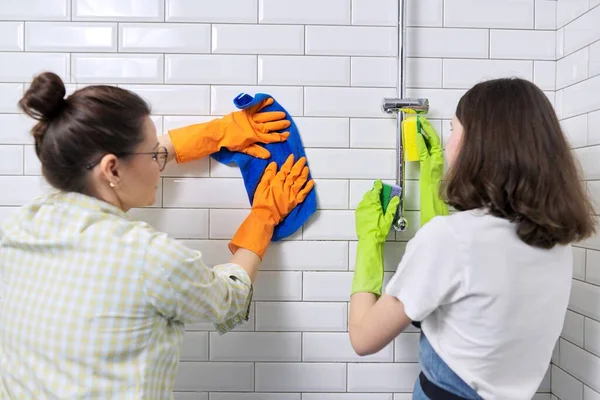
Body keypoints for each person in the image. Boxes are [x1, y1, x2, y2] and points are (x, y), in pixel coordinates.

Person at [0, 72, 314, 399]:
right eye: (153, 154)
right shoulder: (148, 257)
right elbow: (229, 301)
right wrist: (264, 214)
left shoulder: (21, 226)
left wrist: (215, 133)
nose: (158, 160)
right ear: (112, 169)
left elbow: (107, 164)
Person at [348, 78, 596, 400]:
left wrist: (368, 241)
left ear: (477, 145)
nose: (449, 142)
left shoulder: (451, 240)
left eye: (453, 129)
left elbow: (363, 337)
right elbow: (471, 312)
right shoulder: (556, 242)